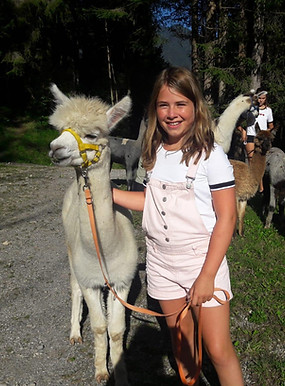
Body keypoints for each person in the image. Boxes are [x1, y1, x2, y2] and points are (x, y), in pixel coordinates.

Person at [112, 66, 244, 385]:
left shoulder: (212, 156)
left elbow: (226, 217)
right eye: (164, 105)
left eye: (180, 104)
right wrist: (108, 194)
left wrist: (207, 276)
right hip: (160, 265)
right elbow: (151, 202)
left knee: (217, 349)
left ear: (195, 107)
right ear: (155, 110)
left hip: (202, 261)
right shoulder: (154, 152)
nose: (172, 113)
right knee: (181, 345)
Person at [241, 89, 274, 191]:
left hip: (262, 138)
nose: (261, 100)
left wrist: (265, 132)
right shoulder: (250, 109)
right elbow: (239, 122)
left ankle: (260, 184)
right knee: (251, 158)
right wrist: (243, 131)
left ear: (266, 99)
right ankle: (255, 184)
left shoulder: (268, 111)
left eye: (263, 98)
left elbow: (271, 125)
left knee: (261, 159)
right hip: (251, 135)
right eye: (259, 98)